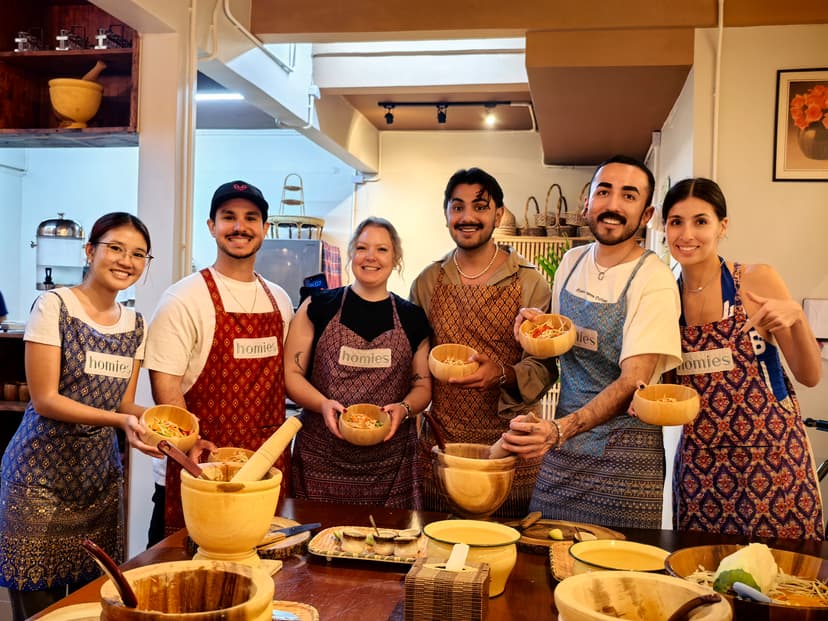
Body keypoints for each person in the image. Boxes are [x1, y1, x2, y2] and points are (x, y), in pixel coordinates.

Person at [502, 155, 682, 530]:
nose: (613, 205)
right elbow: (564, 342)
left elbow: (635, 379)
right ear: (587, 203)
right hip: (564, 449)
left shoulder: (654, 278)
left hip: (625, 461)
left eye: (628, 196)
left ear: (646, 214)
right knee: (541, 551)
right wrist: (539, 329)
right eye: (604, 191)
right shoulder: (570, 261)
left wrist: (559, 429)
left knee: (614, 577)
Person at [0, 212, 159, 620]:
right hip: (39, 480)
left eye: (139, 254)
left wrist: (158, 420)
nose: (127, 260)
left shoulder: (136, 324)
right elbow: (46, 399)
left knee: (93, 600)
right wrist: (121, 422)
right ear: (90, 251)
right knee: (41, 608)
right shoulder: (54, 306)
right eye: (116, 248)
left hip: (98, 483)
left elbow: (122, 404)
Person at [661, 177, 824, 539]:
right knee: (701, 576)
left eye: (700, 221)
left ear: (723, 226)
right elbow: (669, 390)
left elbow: (810, 375)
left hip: (773, 457)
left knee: (783, 580)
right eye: (676, 222)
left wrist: (796, 317)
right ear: (664, 228)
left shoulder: (754, 280)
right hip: (700, 465)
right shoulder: (665, 298)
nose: (687, 234)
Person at [143, 180, 294, 544]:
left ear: (264, 229)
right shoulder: (183, 298)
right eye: (228, 217)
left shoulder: (280, 299)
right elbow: (166, 389)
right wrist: (190, 446)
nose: (239, 227)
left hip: (263, 472)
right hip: (199, 471)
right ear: (211, 226)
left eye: (250, 218)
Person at [410, 167, 554, 518]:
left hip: (509, 447)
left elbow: (546, 367)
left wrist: (503, 373)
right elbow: (414, 363)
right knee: (437, 551)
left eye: (480, 206)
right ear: (446, 214)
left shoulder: (530, 282)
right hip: (442, 446)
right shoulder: (428, 282)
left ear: (498, 214)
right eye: (457, 207)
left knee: (510, 551)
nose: (468, 217)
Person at [286, 217, 431, 508]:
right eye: (362, 247)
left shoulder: (413, 318)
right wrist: (322, 404)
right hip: (320, 459)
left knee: (388, 548)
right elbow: (291, 374)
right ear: (352, 253)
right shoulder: (318, 307)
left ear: (395, 258)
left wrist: (403, 409)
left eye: (382, 249)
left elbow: (423, 386)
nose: (371, 257)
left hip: (390, 466)